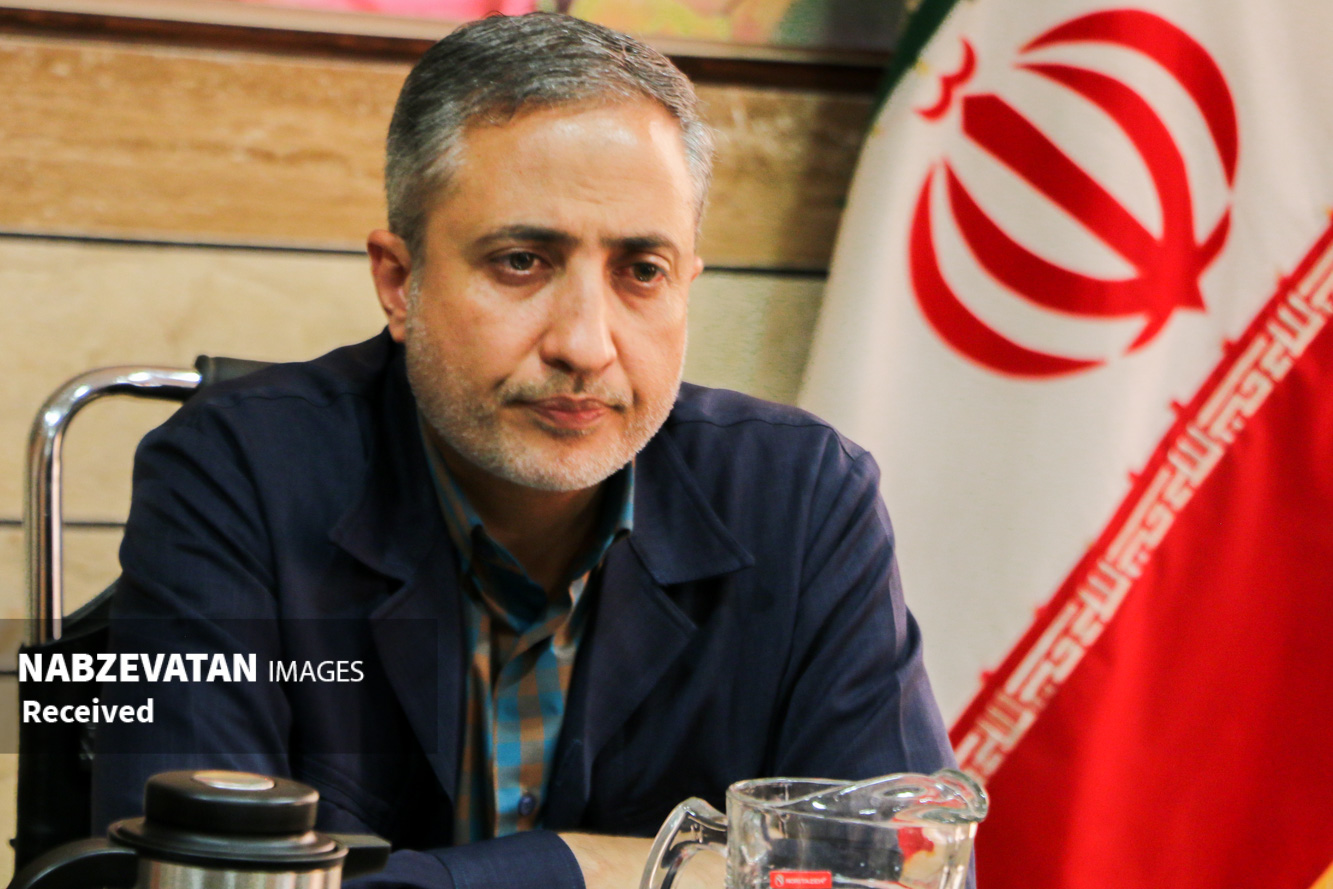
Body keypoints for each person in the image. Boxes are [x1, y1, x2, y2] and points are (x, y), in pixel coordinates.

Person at [92, 12, 957, 889]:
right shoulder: (233, 472)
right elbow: (187, 881)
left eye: (641, 271)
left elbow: (903, 873)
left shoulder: (803, 496)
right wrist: (590, 868)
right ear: (399, 282)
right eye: (520, 261)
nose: (584, 343)